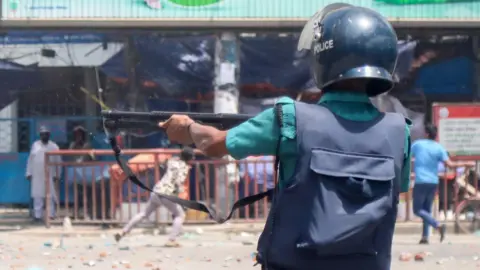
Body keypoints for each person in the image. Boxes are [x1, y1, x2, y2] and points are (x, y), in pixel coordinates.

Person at [159, 4, 411, 270]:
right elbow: (398, 189)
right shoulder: (399, 131)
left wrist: (187, 127)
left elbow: (213, 143)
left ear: (324, 58)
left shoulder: (290, 117)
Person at [114, 146, 194, 247]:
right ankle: (172, 240)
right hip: (167, 194)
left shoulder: (172, 162)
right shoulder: (184, 167)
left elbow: (168, 162)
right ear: (190, 159)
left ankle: (123, 232)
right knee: (180, 215)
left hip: (157, 191)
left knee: (144, 214)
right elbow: (178, 181)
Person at [411, 124, 473, 244]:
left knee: (417, 210)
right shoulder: (439, 148)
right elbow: (450, 165)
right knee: (426, 210)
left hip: (421, 181)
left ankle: (437, 225)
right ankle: (425, 237)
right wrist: (465, 164)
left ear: (426, 134)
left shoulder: (418, 144)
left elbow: (407, 155)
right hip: (433, 182)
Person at [26, 126, 61, 223]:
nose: (44, 136)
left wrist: (57, 175)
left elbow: (58, 161)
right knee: (37, 195)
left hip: (50, 173)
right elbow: (30, 160)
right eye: (42, 134)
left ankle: (51, 215)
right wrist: (29, 172)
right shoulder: (35, 145)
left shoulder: (54, 146)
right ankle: (37, 216)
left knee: (50, 195)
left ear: (49, 135)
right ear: (40, 135)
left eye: (46, 134)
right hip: (37, 174)